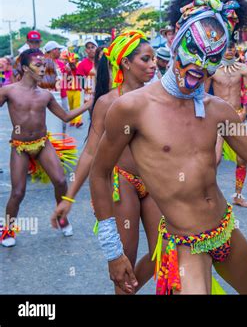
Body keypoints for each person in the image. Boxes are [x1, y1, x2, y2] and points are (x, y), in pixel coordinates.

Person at [89, 0, 247, 295]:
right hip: (184, 243)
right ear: (173, 38)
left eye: (213, 56)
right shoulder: (132, 108)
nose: (200, 65)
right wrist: (113, 251)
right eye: (193, 49)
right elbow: (99, 173)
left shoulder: (219, 110)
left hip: (226, 232)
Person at [51, 31, 162, 293]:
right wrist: (68, 198)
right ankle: (125, 287)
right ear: (126, 62)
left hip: (155, 182)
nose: (153, 64)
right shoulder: (108, 102)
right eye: (146, 59)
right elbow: (90, 152)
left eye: (154, 58)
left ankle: (130, 287)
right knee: (125, 259)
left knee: (164, 251)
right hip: (123, 183)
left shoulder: (159, 97)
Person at [0, 49, 92, 247]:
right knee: (18, 192)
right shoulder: (9, 91)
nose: (43, 69)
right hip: (20, 147)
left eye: (44, 65)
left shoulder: (45, 95)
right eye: (38, 66)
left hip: (43, 143)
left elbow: (66, 116)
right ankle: (8, 229)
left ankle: (62, 217)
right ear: (25, 68)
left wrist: (89, 104)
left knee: (60, 181)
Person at [211, 42, 247, 207]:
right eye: (226, 48)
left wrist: (245, 110)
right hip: (218, 116)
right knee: (215, 159)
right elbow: (205, 93)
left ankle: (238, 195)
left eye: (232, 48)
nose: (229, 51)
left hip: (237, 116)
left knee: (242, 159)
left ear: (236, 49)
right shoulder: (213, 70)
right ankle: (210, 195)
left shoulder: (243, 69)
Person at [76, 39, 98, 113]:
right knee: (92, 116)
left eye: (92, 47)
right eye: (88, 48)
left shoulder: (102, 61)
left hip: (102, 93)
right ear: (86, 50)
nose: (91, 49)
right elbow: (80, 80)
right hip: (90, 95)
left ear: (97, 48)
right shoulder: (82, 64)